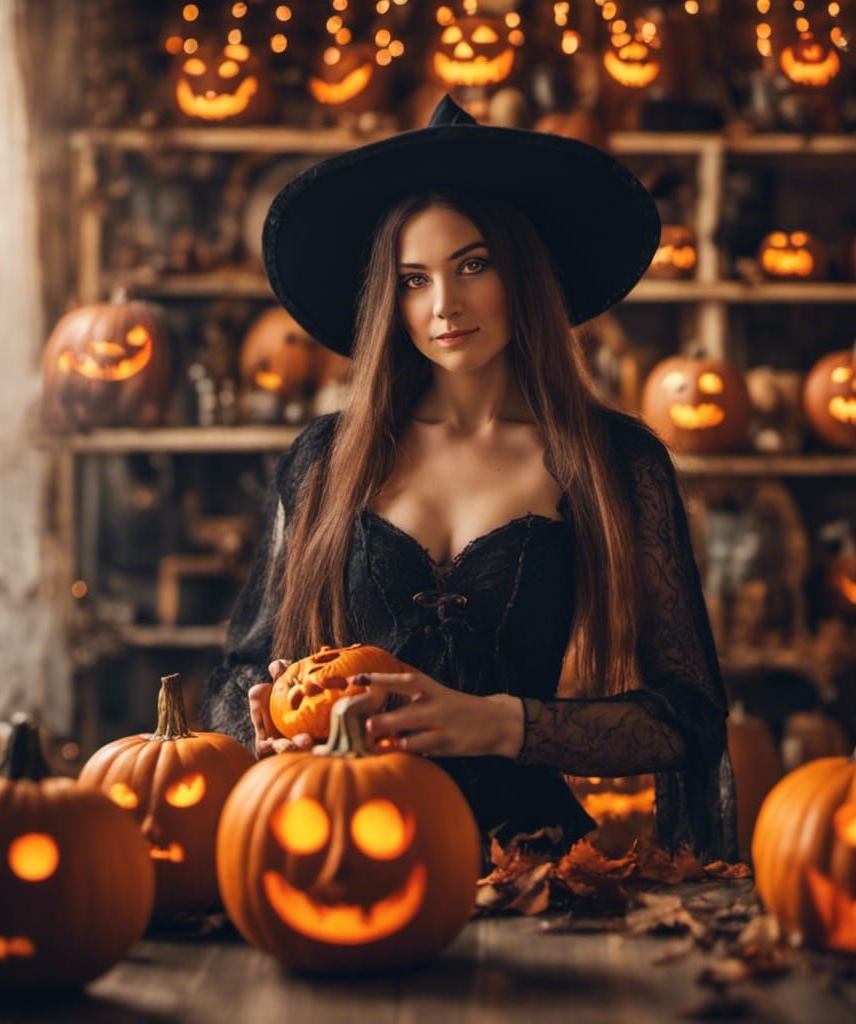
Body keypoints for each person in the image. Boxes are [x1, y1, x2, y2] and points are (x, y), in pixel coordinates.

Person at [204, 95, 737, 864]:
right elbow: (241, 669)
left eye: (473, 266)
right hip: (346, 850)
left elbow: (687, 719)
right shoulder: (325, 460)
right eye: (414, 280)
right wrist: (264, 712)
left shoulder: (615, 462)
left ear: (524, 276)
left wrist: (502, 723)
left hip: (535, 867)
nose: (445, 306)